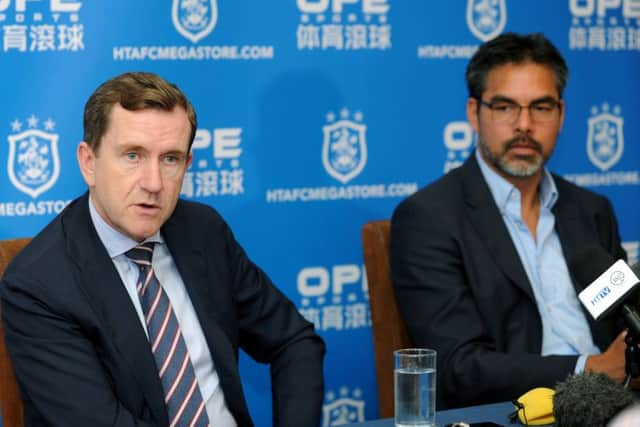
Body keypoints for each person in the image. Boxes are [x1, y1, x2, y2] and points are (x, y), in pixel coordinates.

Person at [0, 72, 325, 427]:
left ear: (187, 165)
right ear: (89, 162)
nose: (153, 183)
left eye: (170, 159)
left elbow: (293, 340)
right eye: (132, 156)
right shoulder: (38, 284)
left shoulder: (202, 230)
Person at [390, 33, 631, 409]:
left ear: (561, 114)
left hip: (614, 404)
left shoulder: (591, 209)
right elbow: (458, 367)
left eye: (541, 107)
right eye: (504, 107)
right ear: (474, 112)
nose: (524, 125)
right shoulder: (429, 218)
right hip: (515, 412)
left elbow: (623, 317)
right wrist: (591, 368)